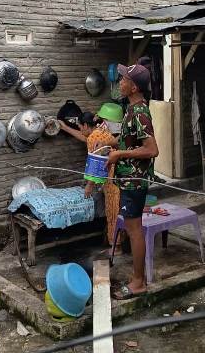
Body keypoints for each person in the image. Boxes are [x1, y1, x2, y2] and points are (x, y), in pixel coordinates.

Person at [103, 63, 159, 300]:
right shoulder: (130, 109)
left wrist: (119, 155)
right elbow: (129, 141)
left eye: (124, 79)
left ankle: (139, 283)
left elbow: (151, 149)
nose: (120, 82)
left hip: (136, 181)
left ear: (133, 86)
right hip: (128, 180)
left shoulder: (140, 113)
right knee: (131, 228)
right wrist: (110, 144)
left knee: (135, 231)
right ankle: (138, 278)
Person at [58, 111, 123, 253]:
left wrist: (89, 186)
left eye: (81, 126)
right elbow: (84, 136)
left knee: (112, 211)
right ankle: (119, 242)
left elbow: (97, 166)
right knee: (118, 210)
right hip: (118, 175)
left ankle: (116, 247)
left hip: (111, 179)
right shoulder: (101, 130)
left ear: (86, 125)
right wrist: (64, 127)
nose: (81, 130)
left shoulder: (93, 138)